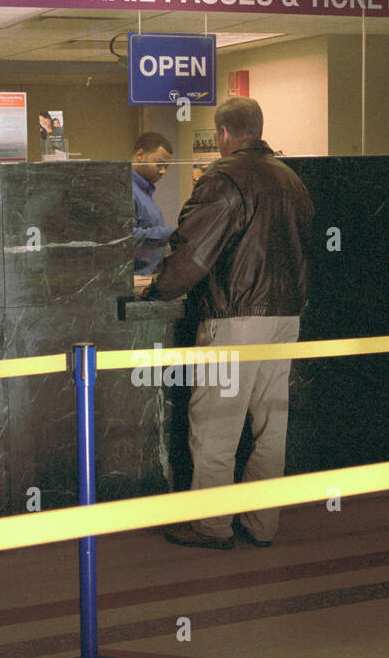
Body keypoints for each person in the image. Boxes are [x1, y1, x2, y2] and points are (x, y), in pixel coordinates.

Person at [141, 97, 312, 549]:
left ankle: (212, 526)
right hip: (286, 318)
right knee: (270, 424)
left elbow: (194, 252)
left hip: (237, 318)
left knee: (217, 422)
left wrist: (157, 291)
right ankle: (262, 523)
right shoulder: (291, 179)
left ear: (222, 134)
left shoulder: (223, 178)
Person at [131, 131, 174, 277]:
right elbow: (128, 237)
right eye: (159, 164)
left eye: (166, 167)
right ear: (140, 156)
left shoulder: (144, 191)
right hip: (134, 280)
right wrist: (172, 234)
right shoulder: (127, 190)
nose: (162, 171)